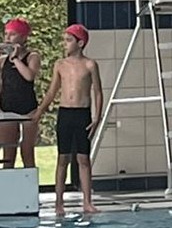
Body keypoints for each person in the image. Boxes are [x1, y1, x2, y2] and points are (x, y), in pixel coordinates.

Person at [32, 24, 102, 215]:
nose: (65, 44)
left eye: (69, 40)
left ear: (80, 43)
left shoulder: (90, 65)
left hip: (82, 114)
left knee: (83, 159)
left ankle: (87, 202)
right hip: (65, 113)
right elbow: (52, 91)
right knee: (62, 159)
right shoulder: (60, 65)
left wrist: (98, 117)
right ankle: (58, 204)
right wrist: (40, 111)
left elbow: (97, 91)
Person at [0, 18, 41, 170]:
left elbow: (29, 76)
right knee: (8, 155)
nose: (8, 38)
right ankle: (6, 191)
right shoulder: (3, 61)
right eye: (6, 34)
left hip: (28, 110)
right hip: (7, 109)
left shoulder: (32, 57)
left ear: (24, 37)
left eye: (13, 34)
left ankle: (30, 191)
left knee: (27, 152)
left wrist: (16, 58)